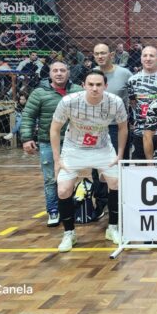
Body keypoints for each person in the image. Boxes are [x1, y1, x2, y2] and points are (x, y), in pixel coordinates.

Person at [50, 70, 128, 253]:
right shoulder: (69, 101)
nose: (95, 88)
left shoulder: (115, 102)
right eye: (91, 84)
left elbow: (123, 128)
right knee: (63, 189)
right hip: (73, 148)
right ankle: (69, 233)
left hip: (102, 147)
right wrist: (57, 159)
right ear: (83, 85)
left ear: (105, 86)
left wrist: (120, 155)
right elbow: (54, 129)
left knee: (116, 182)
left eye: (99, 85)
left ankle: (113, 228)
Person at [20, 61, 83, 227]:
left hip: (75, 143)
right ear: (50, 73)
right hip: (48, 142)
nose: (59, 73)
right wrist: (27, 138)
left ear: (68, 72)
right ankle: (53, 211)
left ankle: (72, 209)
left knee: (75, 177)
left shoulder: (78, 91)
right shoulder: (39, 93)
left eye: (63, 70)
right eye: (55, 70)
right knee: (50, 179)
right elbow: (28, 116)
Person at [92, 43, 133, 219]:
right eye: (96, 54)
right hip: (95, 128)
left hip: (118, 128)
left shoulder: (125, 74)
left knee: (118, 164)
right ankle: (101, 204)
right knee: (97, 166)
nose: (100, 56)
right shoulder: (92, 75)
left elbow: (134, 100)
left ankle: (120, 202)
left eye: (103, 53)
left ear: (111, 55)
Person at [127, 46, 157, 160]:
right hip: (141, 132)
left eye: (151, 56)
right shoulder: (133, 80)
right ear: (141, 58)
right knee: (140, 167)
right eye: (145, 55)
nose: (148, 59)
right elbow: (133, 102)